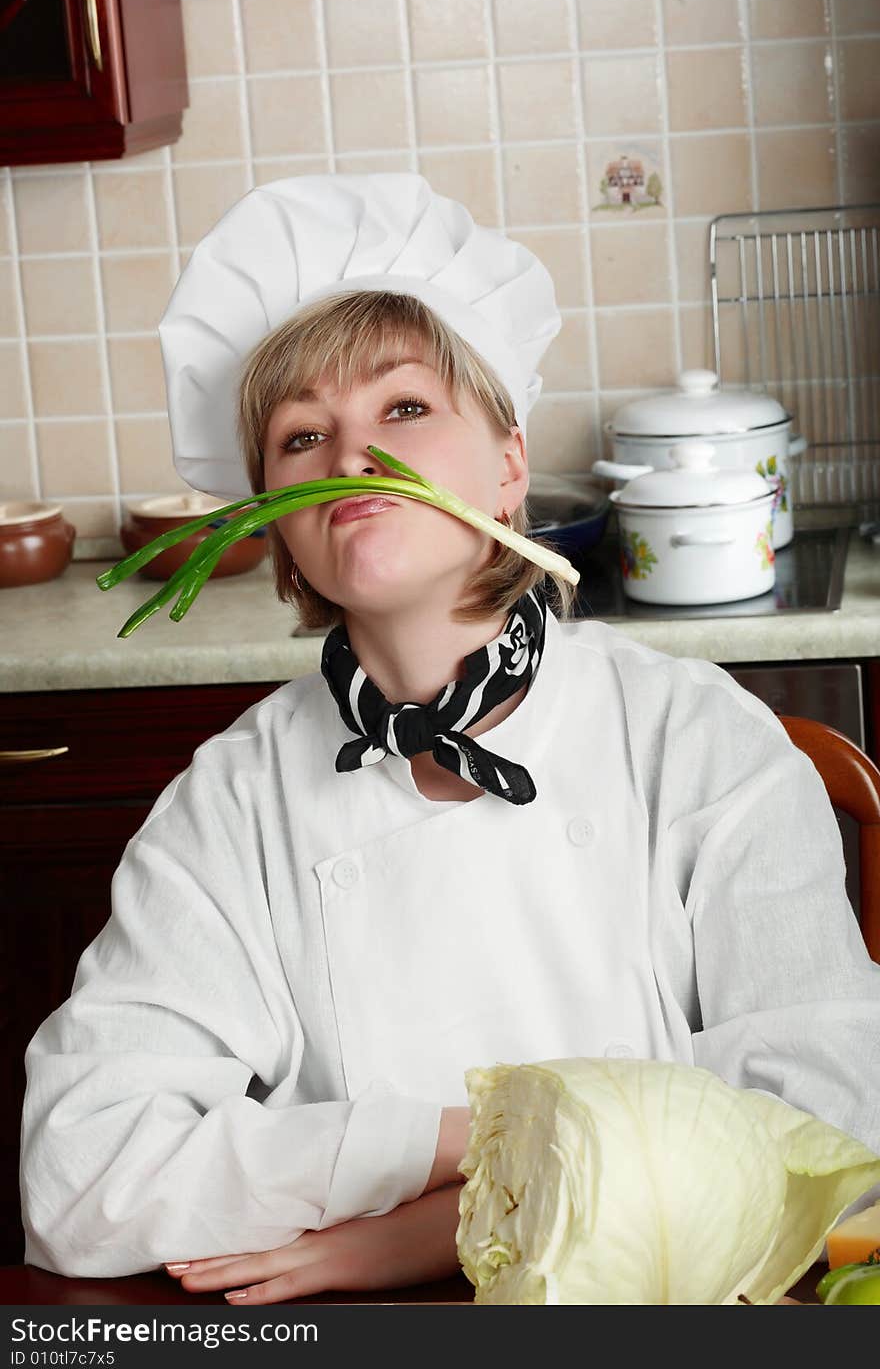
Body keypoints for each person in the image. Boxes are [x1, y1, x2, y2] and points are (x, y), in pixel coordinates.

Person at [19, 174, 880, 1304]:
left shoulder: (696, 736)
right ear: (273, 531)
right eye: (301, 435)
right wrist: (476, 1146)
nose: (350, 459)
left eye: (405, 410)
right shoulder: (229, 804)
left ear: (510, 467)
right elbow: (82, 1179)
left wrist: (410, 1234)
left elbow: (833, 1112)